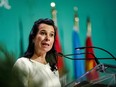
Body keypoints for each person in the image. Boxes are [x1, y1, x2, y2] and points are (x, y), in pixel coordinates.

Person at [12, 18, 61, 87]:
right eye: (43, 33)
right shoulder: (23, 64)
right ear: (33, 38)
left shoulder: (53, 68)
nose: (47, 38)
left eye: (51, 35)